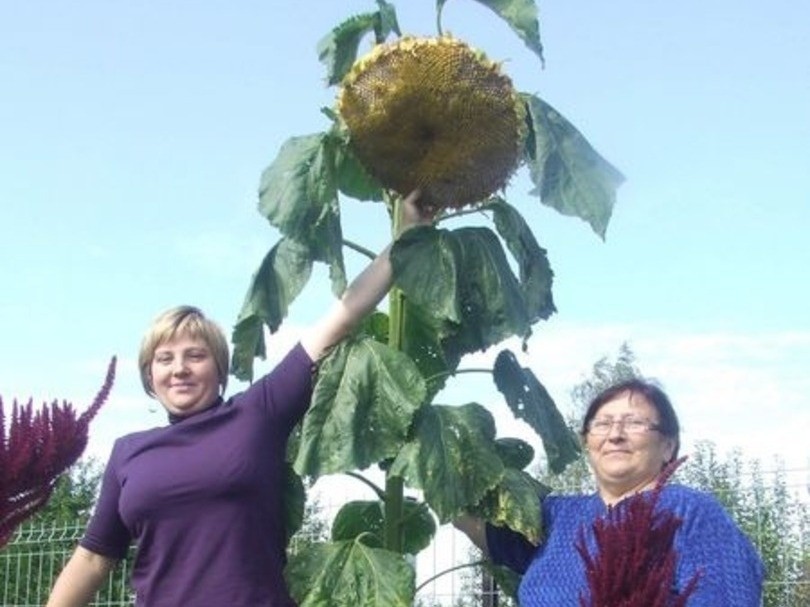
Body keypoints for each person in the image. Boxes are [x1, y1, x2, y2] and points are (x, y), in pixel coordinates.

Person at [45, 190, 432, 607]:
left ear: (219, 368)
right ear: (149, 375)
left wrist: (405, 237)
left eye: (196, 355)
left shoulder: (256, 413)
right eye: (164, 359)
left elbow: (340, 319)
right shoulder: (128, 453)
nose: (180, 368)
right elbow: (92, 558)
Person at [454, 378, 765, 606]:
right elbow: (478, 525)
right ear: (587, 443)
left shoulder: (689, 513)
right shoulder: (558, 515)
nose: (615, 434)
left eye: (634, 423)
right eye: (601, 424)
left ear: (668, 445)